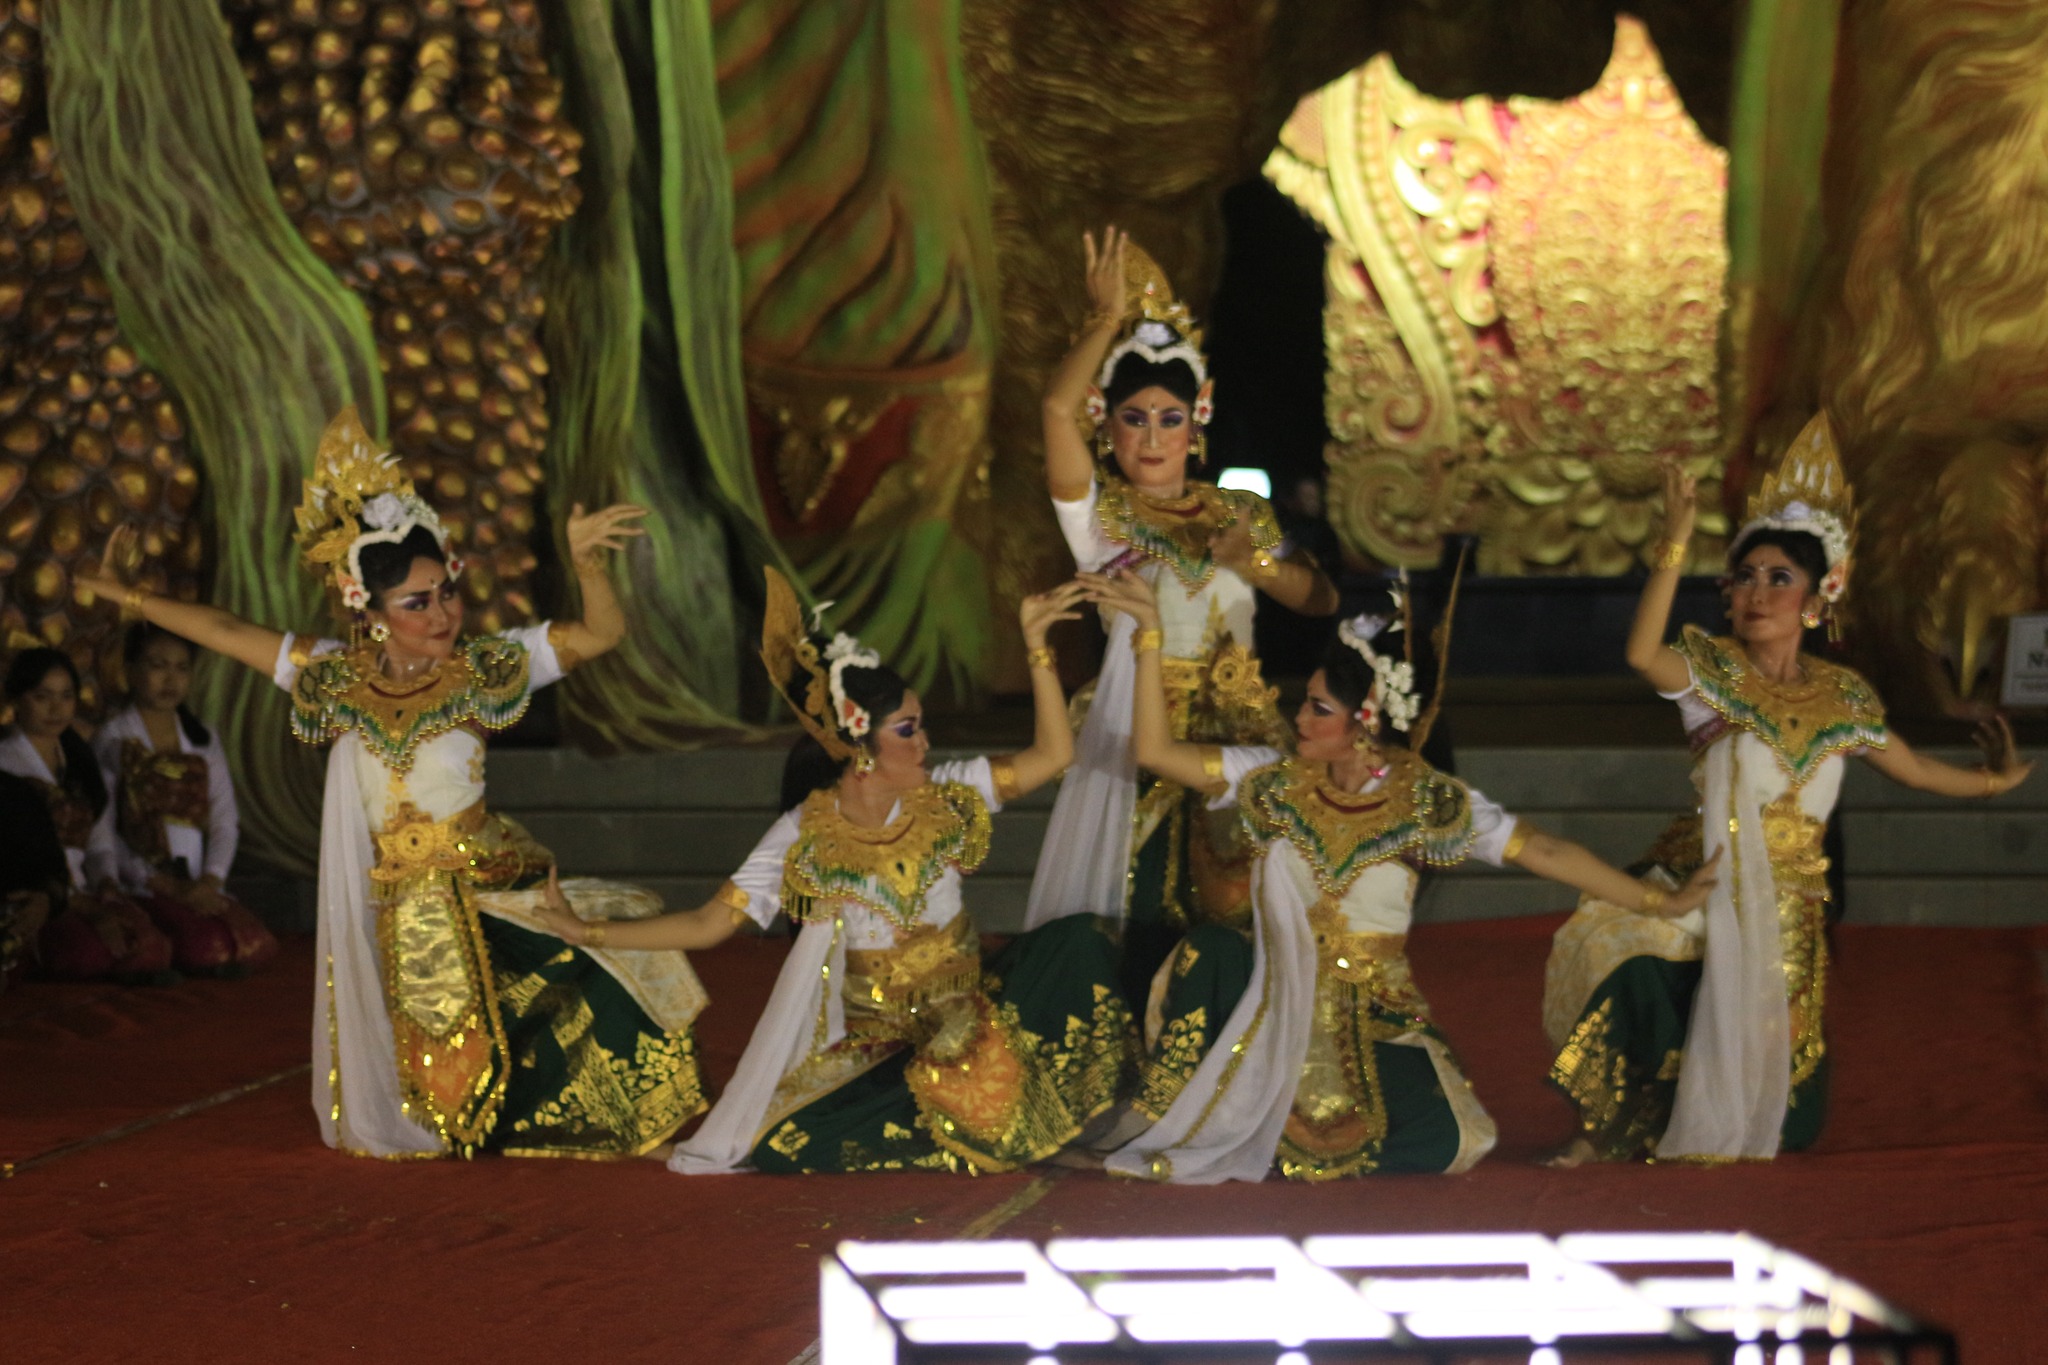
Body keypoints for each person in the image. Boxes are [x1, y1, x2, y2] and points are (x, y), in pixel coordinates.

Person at [75, 406, 707, 1160]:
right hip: (396, 895)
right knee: (437, 1034)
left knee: (600, 959)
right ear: (367, 608)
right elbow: (227, 631)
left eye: (447, 591)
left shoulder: (484, 669)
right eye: (417, 602)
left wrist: (588, 565)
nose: (442, 614)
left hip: (482, 876)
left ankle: (586, 1116)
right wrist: (128, 597)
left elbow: (601, 634)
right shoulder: (336, 678)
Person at [1080, 570, 1716, 1183]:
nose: (1298, 718)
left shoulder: (1426, 803)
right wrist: (1150, 637)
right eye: (1306, 702)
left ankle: (1258, 1131)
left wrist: (1658, 901)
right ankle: (1179, 1123)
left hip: (1374, 1016)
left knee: (1452, 1137)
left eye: (1319, 708)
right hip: (1272, 1002)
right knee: (1212, 951)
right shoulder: (1269, 778)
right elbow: (1155, 752)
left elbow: (1543, 851)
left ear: (1368, 719)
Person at [1543, 415, 2033, 1165]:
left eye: (1779, 578)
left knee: (1785, 1118)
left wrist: (1995, 779)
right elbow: (1642, 653)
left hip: (1794, 906)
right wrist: (1673, 542)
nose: (1757, 593)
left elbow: (1916, 769)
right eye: (1744, 576)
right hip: (1707, 882)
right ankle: (1607, 1126)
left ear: (1817, 596)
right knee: (1633, 956)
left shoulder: (1842, 696)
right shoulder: (1714, 676)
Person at [536, 568, 1136, 1174]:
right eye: (907, 729)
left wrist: (1036, 646)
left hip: (974, 1010)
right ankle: (1001, 1122)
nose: (925, 742)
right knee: (787, 1139)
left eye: (920, 725)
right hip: (885, 1044)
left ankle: (1012, 1117)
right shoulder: (807, 833)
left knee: (1078, 942)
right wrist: (588, 931)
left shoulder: (951, 793)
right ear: (860, 743)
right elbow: (708, 924)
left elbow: (1054, 755)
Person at [1027, 227, 1341, 1005]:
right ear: (1106, 422)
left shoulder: (1239, 512)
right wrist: (1106, 320)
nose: (1153, 438)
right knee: (1138, 903)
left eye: (1170, 419)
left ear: (1198, 421)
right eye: (1134, 418)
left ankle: (1227, 1051)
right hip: (1140, 730)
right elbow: (1054, 410)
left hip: (1239, 735)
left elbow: (1321, 600)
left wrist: (1252, 563)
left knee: (1241, 912)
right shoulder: (1102, 520)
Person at [93, 624, 278, 975]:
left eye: (181, 668)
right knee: (206, 948)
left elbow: (225, 820)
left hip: (196, 883)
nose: (170, 679)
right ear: (131, 671)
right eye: (158, 666)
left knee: (254, 944)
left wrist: (210, 881)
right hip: (140, 881)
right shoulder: (114, 739)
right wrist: (159, 882)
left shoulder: (202, 739)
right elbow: (102, 830)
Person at [1, 648, 175, 982]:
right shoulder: (5, 760)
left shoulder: (79, 760)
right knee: (90, 953)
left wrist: (106, 882)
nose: (56, 709)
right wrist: (69, 901)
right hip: (35, 894)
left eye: (66, 696)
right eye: (42, 697)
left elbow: (99, 840)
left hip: (84, 890)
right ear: (16, 699)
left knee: (150, 945)